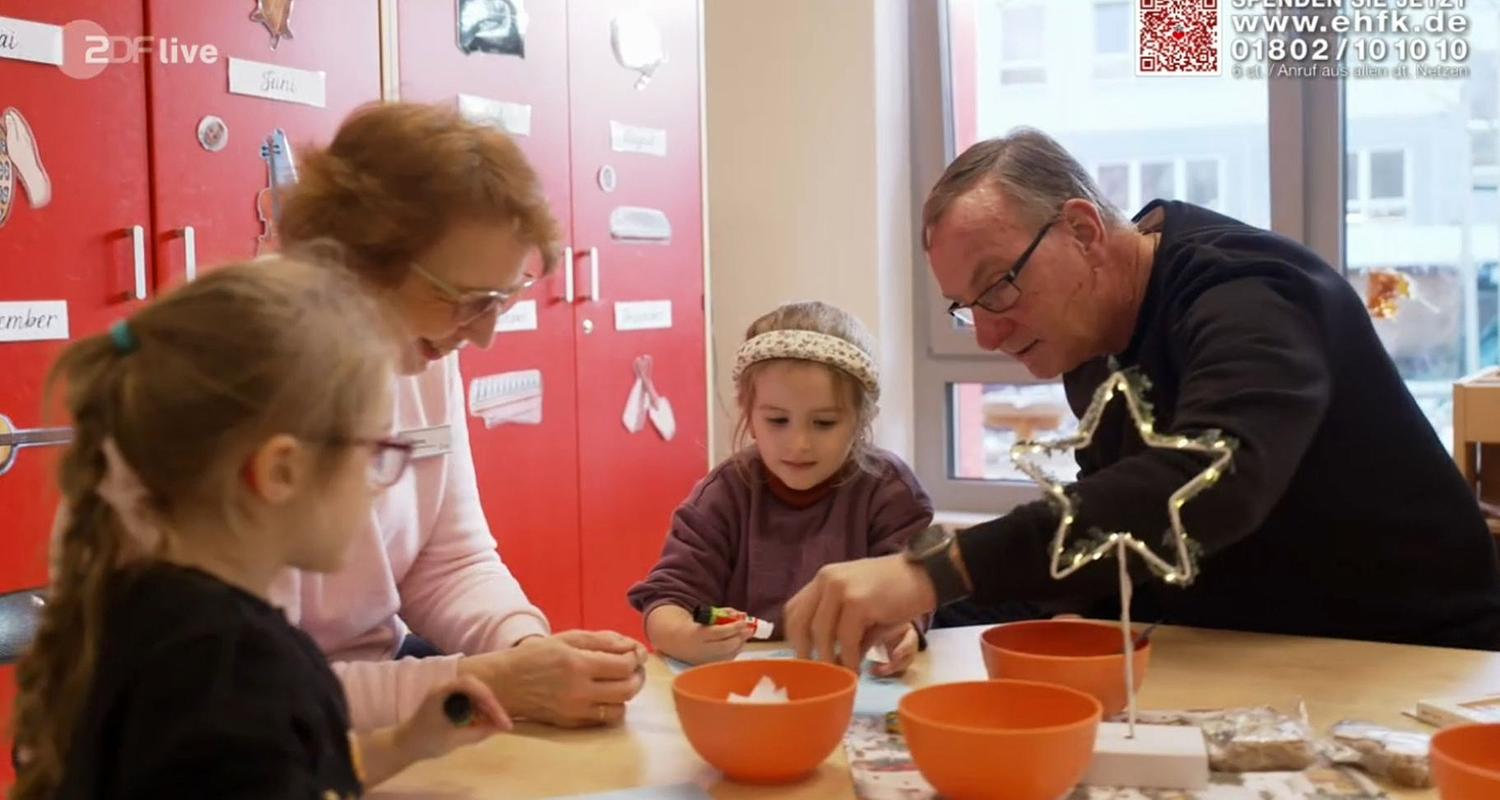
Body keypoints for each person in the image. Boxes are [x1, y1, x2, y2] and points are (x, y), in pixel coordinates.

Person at [784, 128, 1500, 667]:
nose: (990, 334)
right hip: (1253, 653)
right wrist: (929, 608)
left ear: (1084, 230)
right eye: (968, 306)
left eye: (1000, 284)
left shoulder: (1248, 293)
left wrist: (932, 568)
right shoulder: (1090, 337)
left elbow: (1207, 479)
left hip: (1421, 658)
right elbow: (1110, 536)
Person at [12, 258, 509, 799]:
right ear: (281, 471)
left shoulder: (152, 617)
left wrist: (407, 743)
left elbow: (287, 769)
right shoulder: (235, 674)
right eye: (374, 454)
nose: (379, 484)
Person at [273, 101, 646, 731]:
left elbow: (448, 559)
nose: (484, 337)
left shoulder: (412, 343)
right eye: (465, 301)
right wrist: (480, 681)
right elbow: (245, 695)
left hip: (372, 685)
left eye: (500, 300)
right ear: (353, 258)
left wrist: (524, 649)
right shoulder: (231, 377)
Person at [628, 302, 933, 674]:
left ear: (861, 419)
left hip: (853, 679)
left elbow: (915, 589)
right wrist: (685, 636)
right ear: (749, 414)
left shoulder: (889, 491)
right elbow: (665, 600)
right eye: (777, 420)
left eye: (823, 423)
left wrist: (905, 631)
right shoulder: (723, 495)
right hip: (748, 692)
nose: (799, 443)